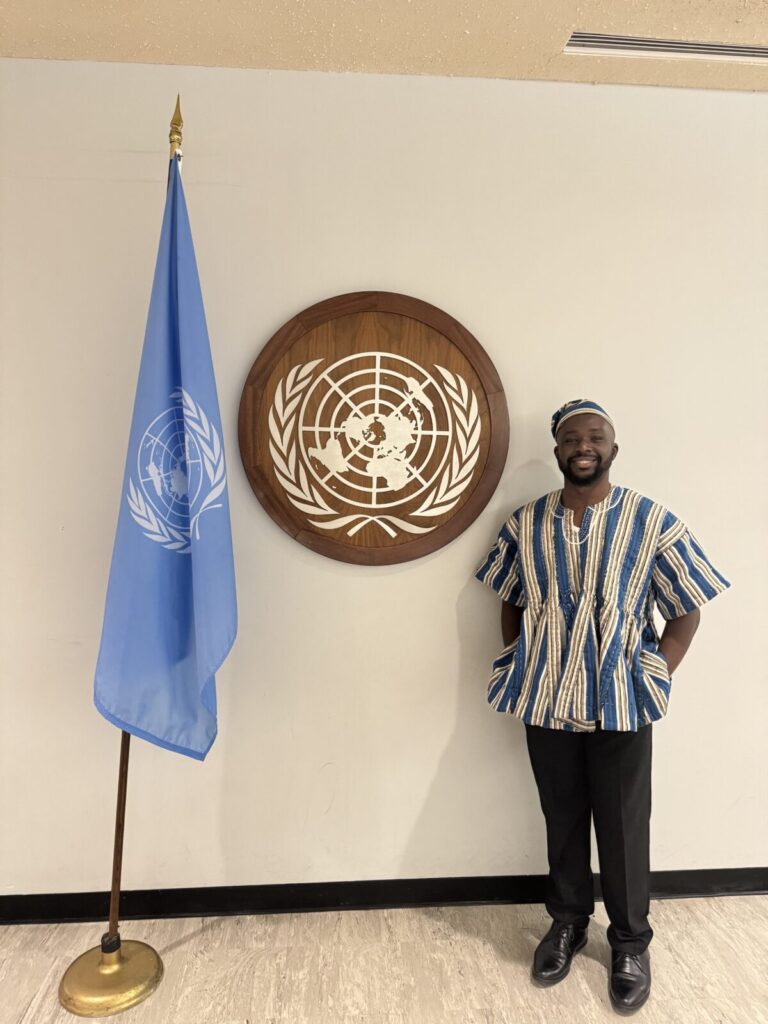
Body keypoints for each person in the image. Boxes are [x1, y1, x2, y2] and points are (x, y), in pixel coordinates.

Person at [474, 399, 730, 1014]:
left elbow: (688, 607)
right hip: (547, 698)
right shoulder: (526, 522)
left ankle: (630, 943)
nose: (583, 445)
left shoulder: (650, 521)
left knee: (621, 826)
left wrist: (655, 670)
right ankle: (566, 923)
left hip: (621, 701)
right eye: (571, 437)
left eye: (596, 436)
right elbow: (509, 596)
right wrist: (526, 656)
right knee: (561, 818)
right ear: (558, 450)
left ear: (613, 449)